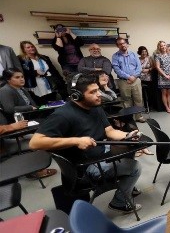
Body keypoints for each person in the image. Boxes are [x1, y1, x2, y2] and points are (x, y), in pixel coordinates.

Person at [29, 73, 143, 214]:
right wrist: (76, 140)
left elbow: (110, 131)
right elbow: (34, 143)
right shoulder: (63, 115)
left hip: (99, 151)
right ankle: (119, 202)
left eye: (98, 90)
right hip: (86, 166)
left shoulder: (95, 107)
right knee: (135, 168)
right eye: (93, 92)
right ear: (77, 95)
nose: (99, 94)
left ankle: (126, 187)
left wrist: (128, 135)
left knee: (131, 148)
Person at [0, 67, 57, 178]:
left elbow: (34, 105)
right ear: (8, 80)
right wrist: (30, 108)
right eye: (17, 77)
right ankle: (36, 170)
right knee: (40, 138)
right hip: (14, 129)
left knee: (51, 126)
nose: (21, 79)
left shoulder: (22, 89)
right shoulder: (5, 91)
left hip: (29, 122)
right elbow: (10, 109)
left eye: (22, 77)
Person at [18, 41, 64, 106]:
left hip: (49, 83)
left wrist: (61, 81)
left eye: (32, 46)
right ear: (23, 50)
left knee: (53, 100)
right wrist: (35, 73)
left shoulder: (44, 57)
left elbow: (54, 71)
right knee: (41, 103)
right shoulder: (21, 59)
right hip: (35, 84)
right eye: (28, 47)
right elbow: (21, 72)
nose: (31, 48)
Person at [111, 38, 145, 123]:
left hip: (136, 80)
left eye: (124, 43)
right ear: (117, 46)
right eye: (120, 44)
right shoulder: (115, 56)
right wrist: (128, 77)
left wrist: (133, 77)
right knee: (126, 100)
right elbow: (117, 69)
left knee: (138, 99)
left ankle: (139, 116)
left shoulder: (133, 54)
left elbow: (139, 67)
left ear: (127, 44)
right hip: (123, 81)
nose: (122, 45)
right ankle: (129, 118)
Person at [154, 41, 170, 114]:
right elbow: (158, 67)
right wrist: (165, 75)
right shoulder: (158, 56)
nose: (163, 47)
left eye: (164, 45)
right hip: (162, 77)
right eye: (161, 46)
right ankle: (167, 108)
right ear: (159, 47)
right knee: (164, 93)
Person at [137, 46, 156, 111]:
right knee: (142, 94)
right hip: (140, 79)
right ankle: (145, 106)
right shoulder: (137, 59)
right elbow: (135, 68)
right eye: (142, 52)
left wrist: (148, 70)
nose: (144, 53)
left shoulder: (150, 58)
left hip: (149, 78)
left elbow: (154, 66)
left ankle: (150, 106)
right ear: (140, 52)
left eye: (145, 51)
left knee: (150, 93)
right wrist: (141, 70)